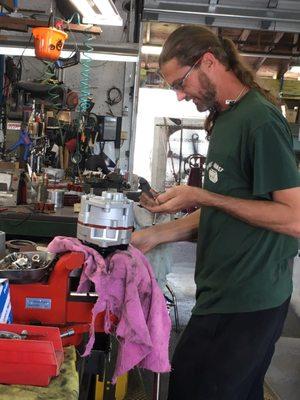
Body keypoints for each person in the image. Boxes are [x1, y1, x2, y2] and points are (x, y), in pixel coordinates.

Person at [131, 25, 300, 400]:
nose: (178, 95)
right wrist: (155, 234)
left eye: (180, 82)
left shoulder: (260, 120)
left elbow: (293, 218)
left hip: (249, 300)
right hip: (221, 294)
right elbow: (230, 212)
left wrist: (205, 196)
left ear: (208, 61)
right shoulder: (225, 119)